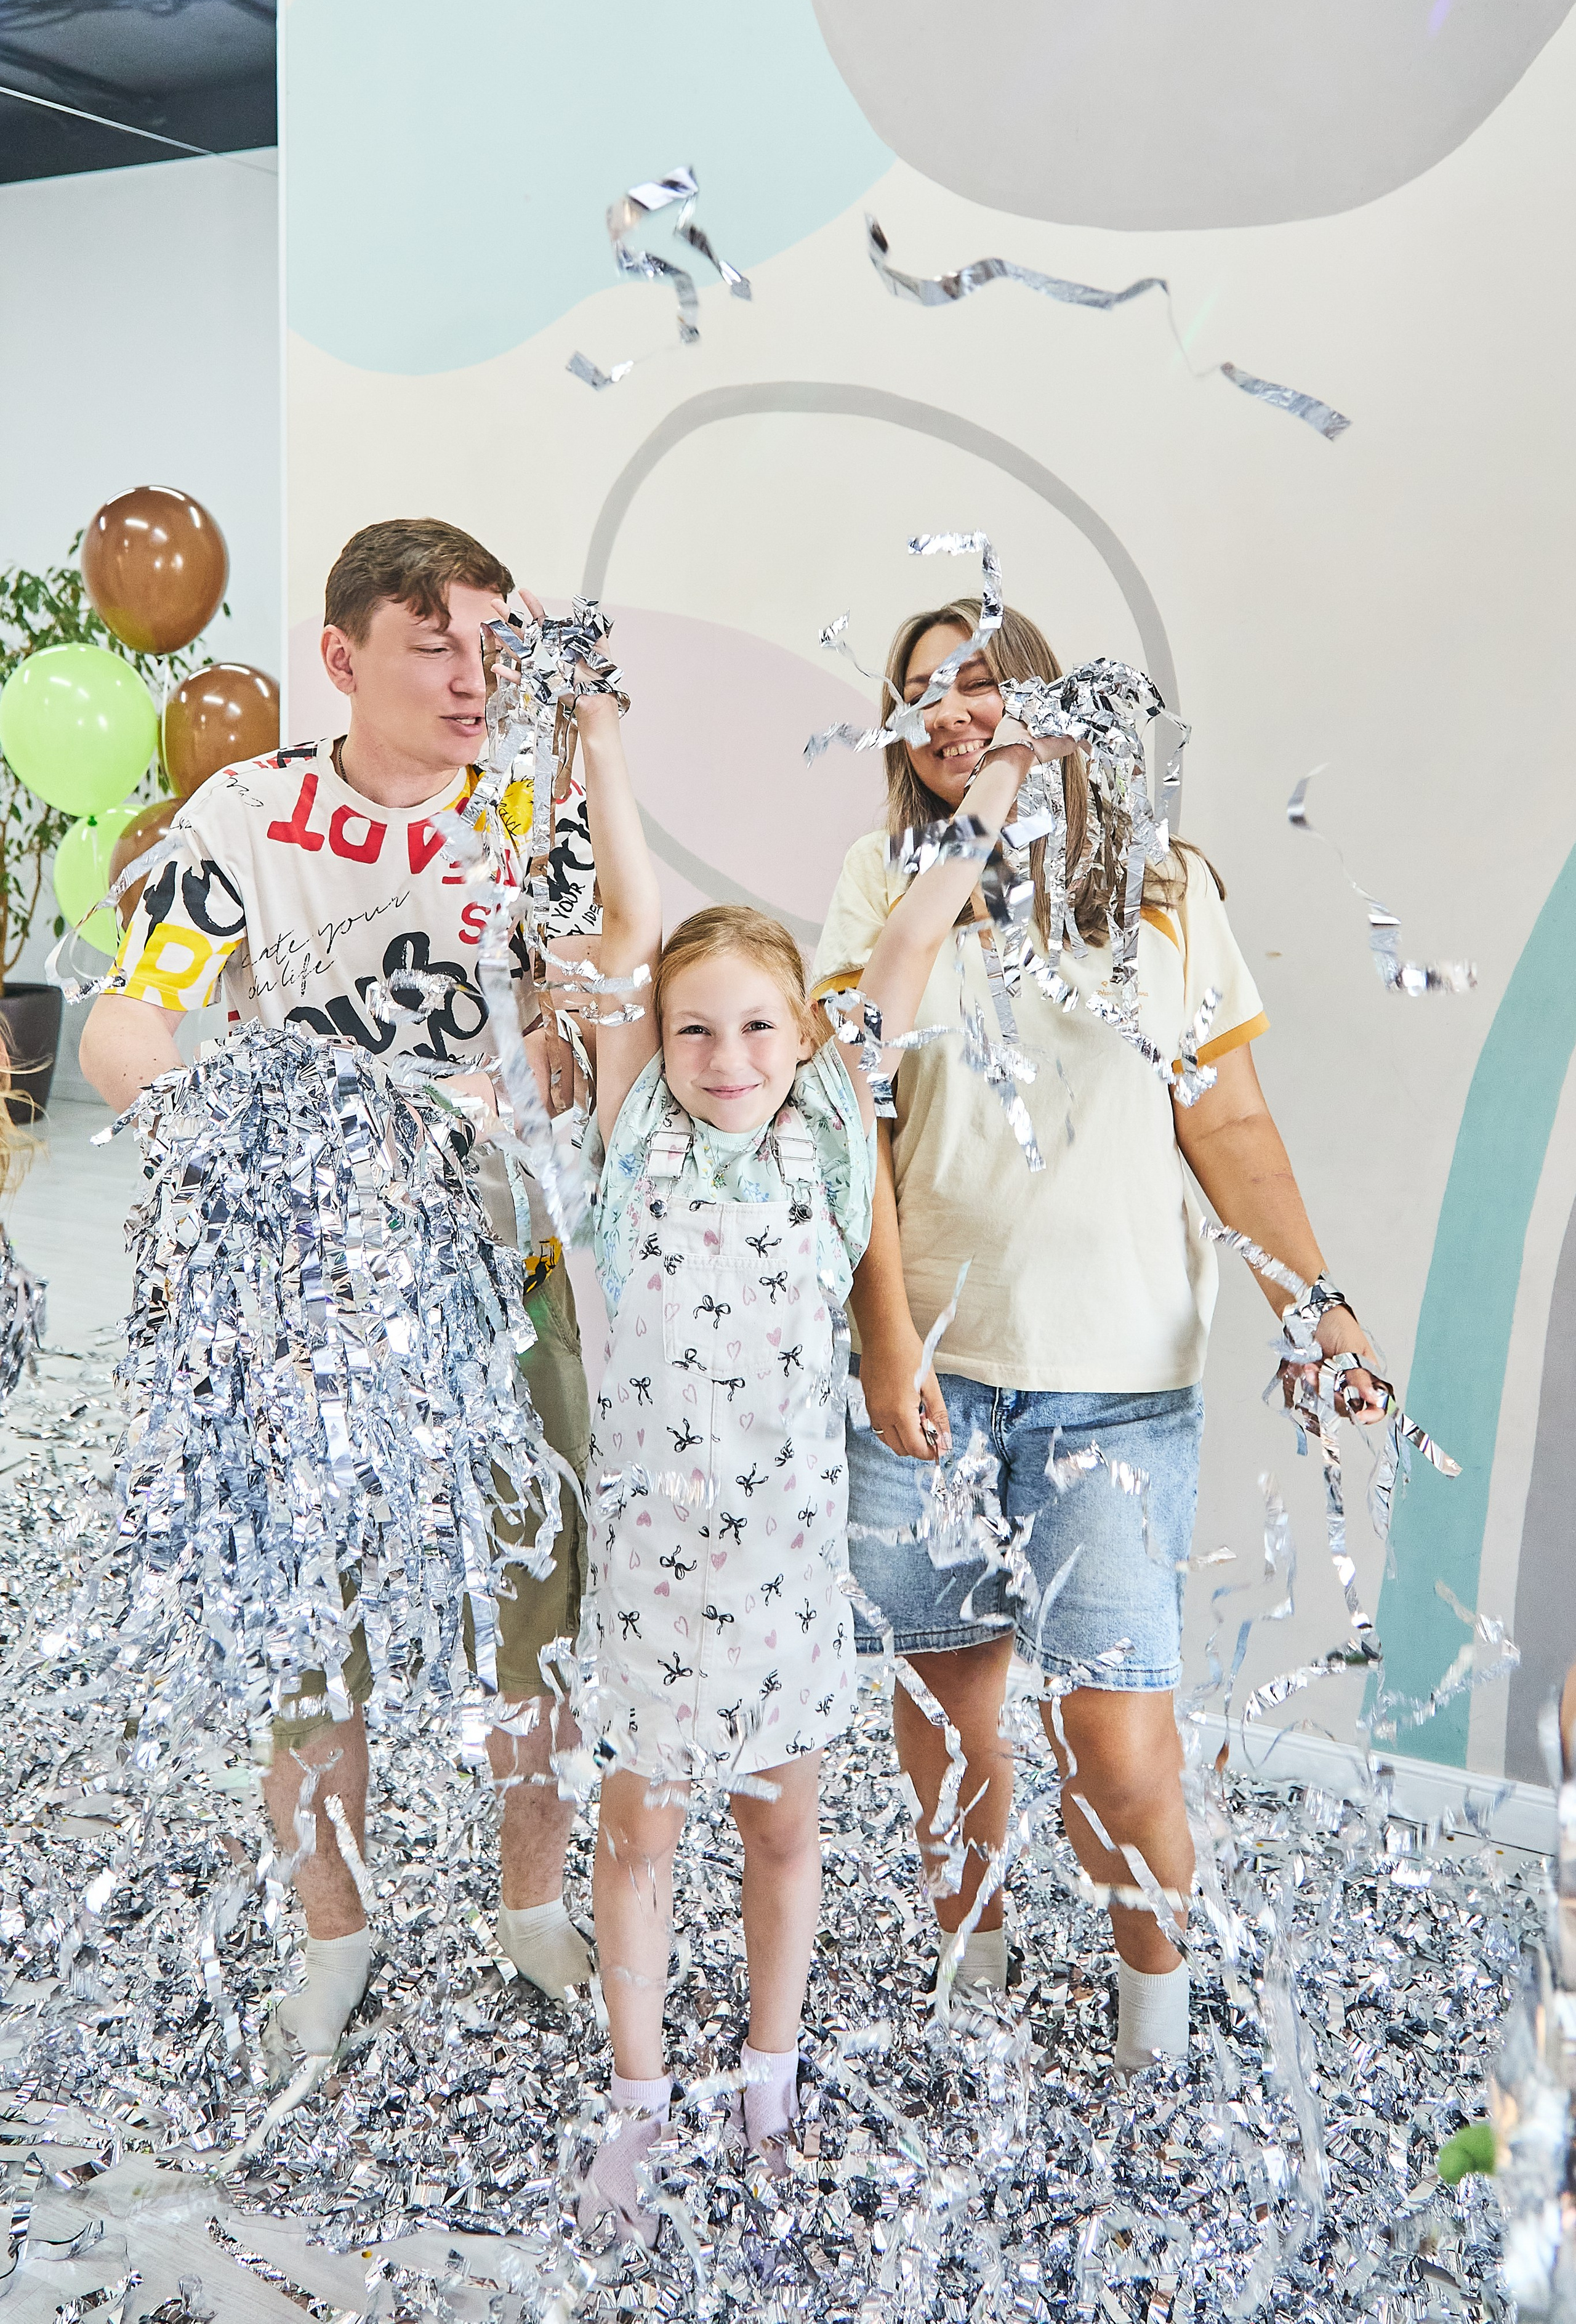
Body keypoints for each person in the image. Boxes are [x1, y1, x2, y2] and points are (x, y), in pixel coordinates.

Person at [811, 595, 1385, 2073]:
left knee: (1117, 1753)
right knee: (948, 1727)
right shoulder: (883, 884)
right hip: (929, 1383)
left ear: (1053, 703)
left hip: (1115, 1393)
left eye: (980, 684)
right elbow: (850, 1130)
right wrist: (883, 1348)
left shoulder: (1162, 888)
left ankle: (1151, 2009)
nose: (947, 709)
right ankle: (973, 1964)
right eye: (919, 690)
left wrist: (1312, 1307)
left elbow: (1228, 1121)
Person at [79, 518, 601, 2046]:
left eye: (493, 644)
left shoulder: (532, 807)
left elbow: (574, 1032)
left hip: (500, 1278)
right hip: (303, 1302)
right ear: (341, 657)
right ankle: (334, 1932)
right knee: (312, 1641)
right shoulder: (251, 811)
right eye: (434, 641)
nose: (471, 674)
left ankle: (530, 1908)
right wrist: (203, 1114)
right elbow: (131, 1019)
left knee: (535, 1618)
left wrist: (548, 1069)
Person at [563, 664, 1039, 2237]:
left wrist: (1004, 779)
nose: (724, 1053)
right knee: (636, 1837)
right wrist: (604, 742)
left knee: (781, 1830)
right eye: (694, 1029)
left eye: (758, 1024)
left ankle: (767, 2074)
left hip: (776, 1583)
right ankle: (638, 2099)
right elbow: (631, 919)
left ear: (802, 1035)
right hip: (645, 1588)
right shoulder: (630, 1133)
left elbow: (908, 929)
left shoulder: (832, 1132)